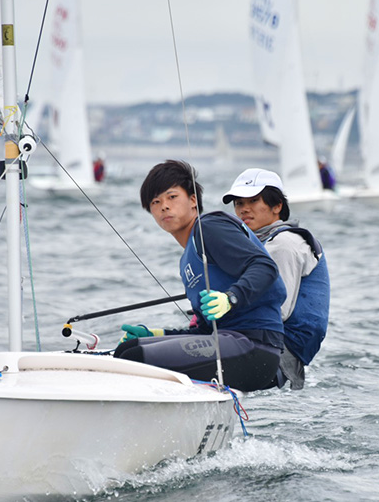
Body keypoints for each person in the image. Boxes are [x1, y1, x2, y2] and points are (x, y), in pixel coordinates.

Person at [113, 160, 287, 392]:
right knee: (129, 348)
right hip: (228, 343)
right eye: (156, 202)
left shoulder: (209, 227)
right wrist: (158, 334)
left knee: (134, 357)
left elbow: (265, 267)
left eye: (172, 197)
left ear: (193, 200)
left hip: (255, 349)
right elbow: (205, 331)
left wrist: (230, 298)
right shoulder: (187, 259)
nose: (164, 206)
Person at [222, 168, 330, 390]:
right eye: (239, 203)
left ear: (277, 206)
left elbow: (278, 310)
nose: (244, 209)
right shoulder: (262, 242)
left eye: (253, 201)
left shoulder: (284, 244)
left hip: (280, 353)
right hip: (267, 343)